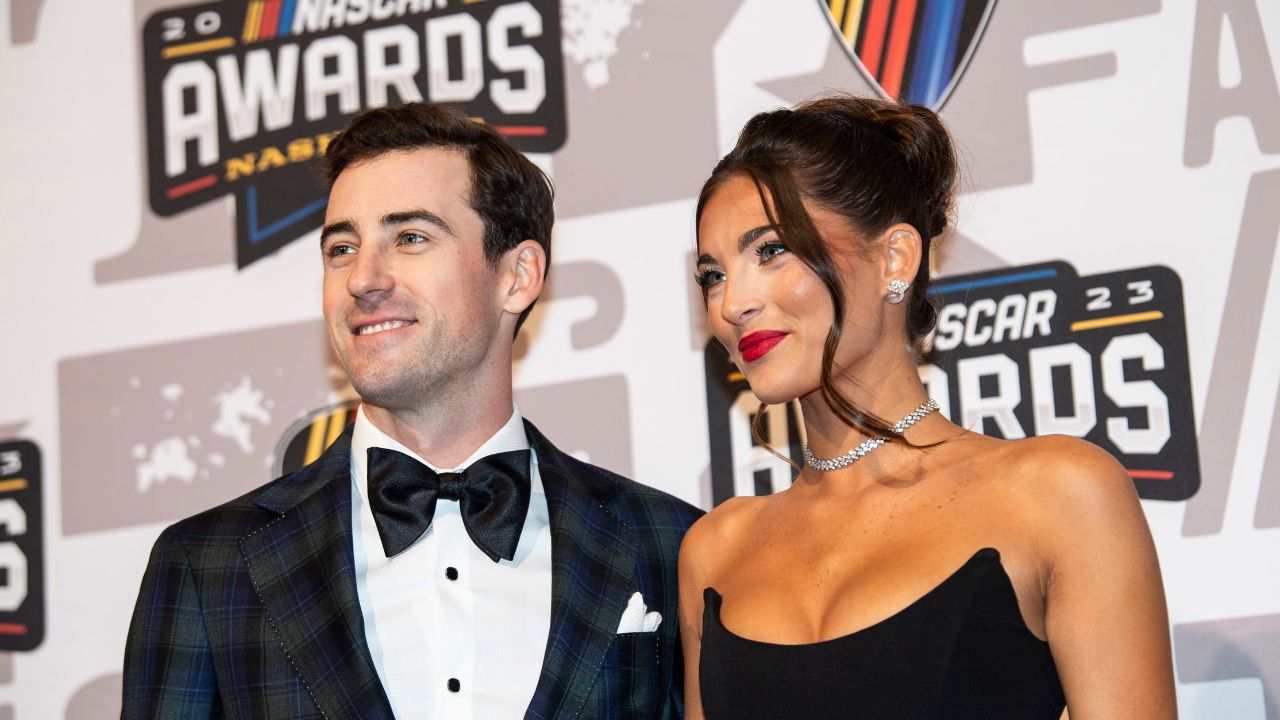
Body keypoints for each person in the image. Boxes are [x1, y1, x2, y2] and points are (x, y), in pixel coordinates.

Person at [123, 102, 702, 719]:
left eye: (410, 237)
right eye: (341, 248)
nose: (363, 279)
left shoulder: (669, 545)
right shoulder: (208, 564)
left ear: (517, 275)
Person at [678, 95, 1177, 719]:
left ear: (896, 259)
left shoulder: (1058, 495)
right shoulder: (715, 551)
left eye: (770, 251)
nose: (731, 304)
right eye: (712, 275)